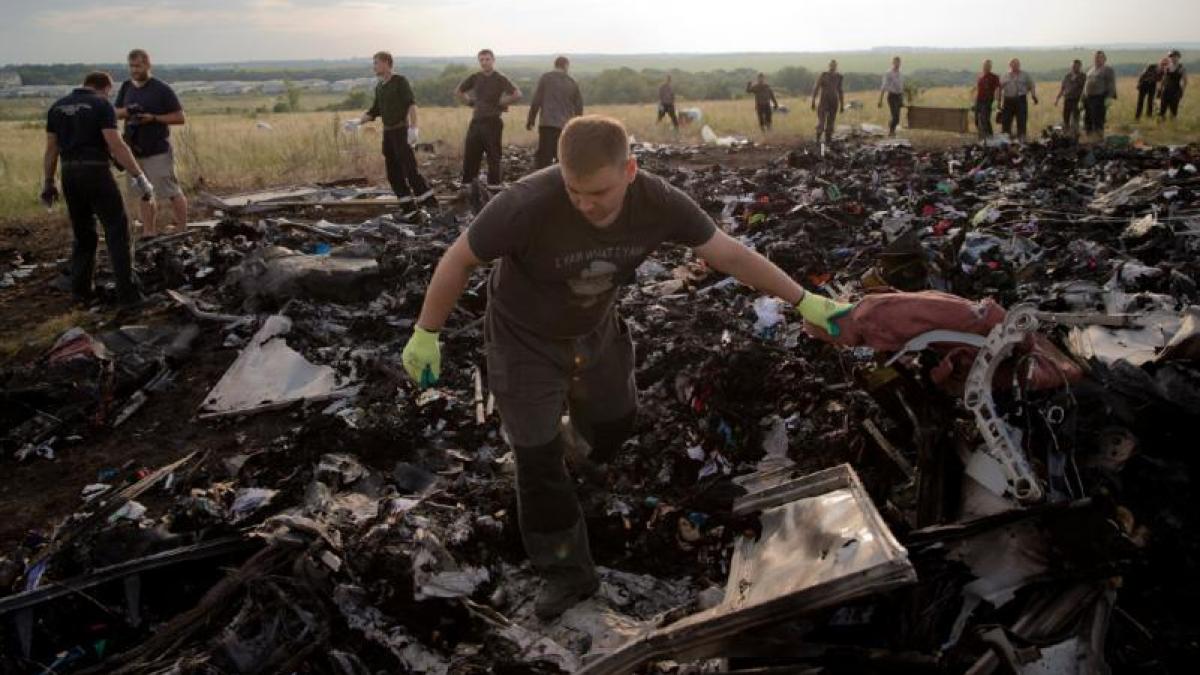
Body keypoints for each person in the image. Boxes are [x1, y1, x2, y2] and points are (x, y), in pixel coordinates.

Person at [399, 115, 853, 620]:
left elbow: (727, 254)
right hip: (522, 340)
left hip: (594, 331)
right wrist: (427, 332)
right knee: (536, 461)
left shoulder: (658, 203)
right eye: (574, 191)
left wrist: (803, 299)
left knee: (615, 422)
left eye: (598, 192)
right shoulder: (526, 203)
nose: (585, 204)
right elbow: (458, 259)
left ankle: (572, 447)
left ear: (630, 170)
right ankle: (566, 571)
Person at [43, 71, 152, 306]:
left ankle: (81, 292)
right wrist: (139, 176)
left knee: (83, 234)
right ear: (105, 88)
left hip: (69, 174)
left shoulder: (57, 107)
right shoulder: (101, 105)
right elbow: (116, 144)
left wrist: (49, 182)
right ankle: (128, 295)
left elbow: (51, 149)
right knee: (117, 230)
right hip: (96, 172)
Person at [115, 49, 186, 237]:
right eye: (131, 66)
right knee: (144, 192)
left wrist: (153, 118)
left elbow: (180, 117)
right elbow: (115, 112)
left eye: (138, 66)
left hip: (158, 149)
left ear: (148, 65)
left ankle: (181, 228)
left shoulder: (161, 88)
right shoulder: (126, 87)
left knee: (171, 190)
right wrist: (129, 112)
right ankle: (148, 231)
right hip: (134, 150)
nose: (134, 70)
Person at [359, 51, 433, 208]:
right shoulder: (379, 87)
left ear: (386, 63)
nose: (374, 66)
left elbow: (411, 104)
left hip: (401, 131)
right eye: (374, 63)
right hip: (388, 134)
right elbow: (374, 110)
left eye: (376, 63)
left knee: (410, 171)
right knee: (393, 175)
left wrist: (413, 127)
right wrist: (358, 122)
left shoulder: (400, 81)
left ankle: (430, 204)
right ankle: (408, 209)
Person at [456, 49, 521, 187]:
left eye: (487, 59)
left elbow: (517, 94)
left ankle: (494, 190)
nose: (484, 62)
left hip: (492, 122)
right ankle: (468, 189)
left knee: (493, 158)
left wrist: (502, 102)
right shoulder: (475, 77)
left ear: (493, 60)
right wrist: (471, 102)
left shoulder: (500, 78)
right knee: (470, 157)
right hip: (476, 122)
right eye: (481, 60)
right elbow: (459, 91)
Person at [527, 56, 584, 169]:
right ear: (566, 66)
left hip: (547, 124)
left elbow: (536, 100)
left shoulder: (545, 78)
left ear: (555, 65)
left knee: (544, 158)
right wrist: (577, 126)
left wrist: (531, 119)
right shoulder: (572, 82)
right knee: (561, 157)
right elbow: (579, 107)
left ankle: (542, 178)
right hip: (565, 125)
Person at [999, 58, 1038, 140]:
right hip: (1008, 100)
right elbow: (999, 88)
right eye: (1013, 64)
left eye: (1017, 64)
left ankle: (1021, 140)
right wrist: (999, 102)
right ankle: (1006, 140)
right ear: (1010, 65)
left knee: (1022, 121)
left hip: (1021, 100)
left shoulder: (1025, 75)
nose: (1015, 66)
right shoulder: (1005, 75)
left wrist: (1033, 95)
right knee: (1006, 122)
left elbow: (1032, 85)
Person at [1083, 50, 1117, 138]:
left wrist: (1109, 97)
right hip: (1088, 98)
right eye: (1096, 57)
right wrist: (1082, 97)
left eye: (1099, 57)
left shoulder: (1107, 70)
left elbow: (1111, 84)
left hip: (1099, 98)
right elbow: (1086, 84)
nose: (1097, 59)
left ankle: (1098, 138)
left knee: (1097, 119)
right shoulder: (1090, 70)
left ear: (1104, 59)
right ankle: (1089, 137)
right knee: (1088, 118)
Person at [811, 60, 844, 143]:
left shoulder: (839, 77)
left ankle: (828, 141)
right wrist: (813, 101)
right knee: (821, 122)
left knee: (831, 122)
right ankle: (818, 140)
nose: (833, 67)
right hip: (823, 101)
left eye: (834, 65)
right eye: (831, 65)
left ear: (836, 66)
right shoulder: (823, 75)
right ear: (829, 66)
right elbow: (816, 88)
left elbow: (840, 90)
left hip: (834, 101)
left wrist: (842, 104)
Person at [1055, 59, 1086, 133]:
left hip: (1077, 100)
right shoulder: (1067, 76)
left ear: (1080, 67)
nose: (1075, 67)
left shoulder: (1083, 76)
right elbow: (1062, 88)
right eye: (1073, 66)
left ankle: (1075, 134)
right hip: (1067, 99)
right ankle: (1066, 133)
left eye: (1077, 66)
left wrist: (1083, 100)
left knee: (1075, 118)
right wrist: (1057, 99)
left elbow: (1085, 89)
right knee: (1066, 117)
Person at [973, 59, 1001, 139]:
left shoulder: (994, 77)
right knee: (977, 120)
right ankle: (982, 136)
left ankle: (988, 137)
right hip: (978, 100)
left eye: (988, 66)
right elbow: (978, 88)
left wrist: (998, 102)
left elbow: (998, 89)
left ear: (990, 67)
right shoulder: (980, 76)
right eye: (985, 65)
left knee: (984, 119)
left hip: (987, 101)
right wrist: (974, 99)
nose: (986, 67)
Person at [877, 56, 904, 137]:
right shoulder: (888, 73)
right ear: (892, 63)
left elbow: (901, 86)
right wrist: (880, 100)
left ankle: (891, 126)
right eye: (895, 62)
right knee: (895, 116)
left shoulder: (900, 73)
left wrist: (902, 98)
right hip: (892, 96)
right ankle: (891, 132)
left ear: (900, 63)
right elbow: (883, 87)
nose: (897, 64)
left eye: (898, 62)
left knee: (897, 118)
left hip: (899, 96)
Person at [1159, 50, 1188, 120]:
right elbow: (1164, 78)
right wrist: (1160, 89)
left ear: (1178, 57)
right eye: (1171, 56)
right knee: (1162, 109)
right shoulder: (1167, 67)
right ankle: (1162, 123)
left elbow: (1185, 81)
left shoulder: (1181, 68)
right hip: (1166, 90)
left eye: (1175, 56)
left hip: (1176, 91)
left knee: (1173, 110)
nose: (1173, 58)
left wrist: (1182, 91)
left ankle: (1173, 124)